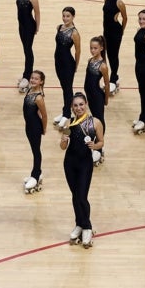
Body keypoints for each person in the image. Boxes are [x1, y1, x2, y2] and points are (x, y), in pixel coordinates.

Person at [60, 92, 104, 248]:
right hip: (70, 163)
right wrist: (64, 140)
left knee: (82, 196)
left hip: (85, 164)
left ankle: (87, 227)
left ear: (86, 104)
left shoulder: (96, 122)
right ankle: (79, 223)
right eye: (75, 105)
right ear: (72, 108)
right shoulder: (68, 123)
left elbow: (101, 142)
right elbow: (63, 146)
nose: (78, 108)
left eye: (81, 104)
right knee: (75, 196)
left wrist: (95, 146)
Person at [53, 7, 81, 130]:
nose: (65, 18)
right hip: (58, 62)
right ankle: (65, 110)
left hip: (68, 63)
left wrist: (76, 66)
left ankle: (67, 114)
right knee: (64, 87)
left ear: (73, 17)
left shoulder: (74, 33)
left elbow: (78, 50)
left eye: (68, 16)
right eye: (64, 16)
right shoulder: (59, 27)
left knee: (68, 88)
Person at [84, 35, 109, 165]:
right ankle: (95, 145)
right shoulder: (90, 61)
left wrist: (106, 99)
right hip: (90, 95)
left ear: (101, 48)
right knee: (93, 119)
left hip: (97, 96)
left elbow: (106, 83)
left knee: (99, 121)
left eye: (95, 48)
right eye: (91, 48)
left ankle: (99, 147)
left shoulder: (103, 66)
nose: (92, 50)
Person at [23, 70, 47, 193]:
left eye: (36, 79)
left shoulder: (38, 98)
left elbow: (44, 115)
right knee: (34, 150)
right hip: (28, 126)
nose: (33, 80)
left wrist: (44, 129)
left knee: (36, 151)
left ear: (41, 82)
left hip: (35, 127)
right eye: (32, 78)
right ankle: (37, 172)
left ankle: (36, 175)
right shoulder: (29, 90)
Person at [16, 0, 40, 92]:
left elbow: (37, 12)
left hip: (29, 26)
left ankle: (27, 76)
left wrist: (37, 27)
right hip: (21, 26)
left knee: (28, 50)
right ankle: (26, 73)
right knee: (25, 49)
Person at [102, 0, 127, 94]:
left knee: (114, 55)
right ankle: (114, 76)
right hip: (106, 31)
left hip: (115, 31)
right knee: (108, 54)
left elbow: (125, 18)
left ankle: (113, 78)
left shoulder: (119, 2)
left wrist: (121, 31)